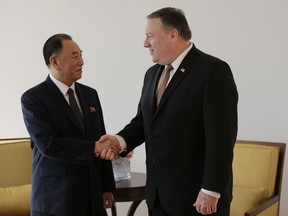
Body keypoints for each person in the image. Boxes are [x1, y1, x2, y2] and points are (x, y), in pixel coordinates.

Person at [97, 7, 238, 216]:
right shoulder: (152, 74)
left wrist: (211, 189)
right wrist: (119, 141)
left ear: (173, 34)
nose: (145, 43)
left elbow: (222, 139)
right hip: (158, 195)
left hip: (196, 197)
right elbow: (143, 122)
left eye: (150, 36)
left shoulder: (213, 71)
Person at [21, 33, 120, 216]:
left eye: (81, 55)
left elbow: (101, 136)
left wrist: (107, 186)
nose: (81, 61)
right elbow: (49, 144)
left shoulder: (90, 94)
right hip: (56, 200)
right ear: (55, 62)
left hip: (93, 198)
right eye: (75, 56)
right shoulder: (34, 98)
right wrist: (94, 148)